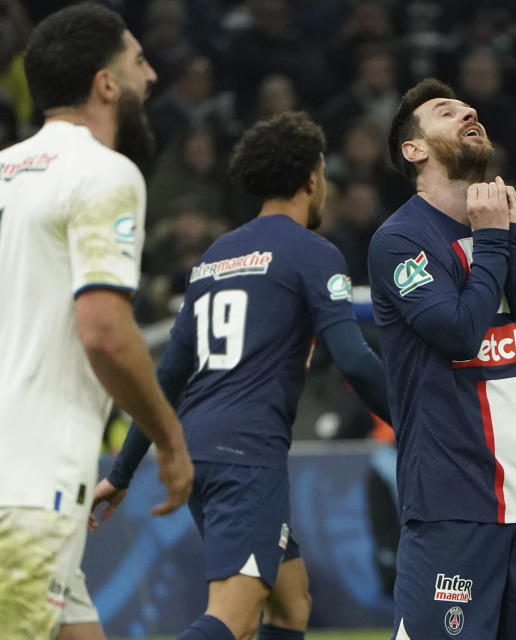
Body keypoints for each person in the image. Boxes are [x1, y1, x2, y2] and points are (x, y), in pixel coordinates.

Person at [89, 111, 392, 640]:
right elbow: (356, 361)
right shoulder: (314, 254)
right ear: (313, 177)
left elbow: (168, 379)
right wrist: (421, 421)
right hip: (245, 455)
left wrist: (122, 472)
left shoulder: (216, 256)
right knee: (232, 617)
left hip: (198, 451)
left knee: (290, 604)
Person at [0, 5, 194, 639]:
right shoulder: (104, 173)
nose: (154, 74)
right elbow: (105, 333)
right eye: (139, 61)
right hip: (30, 489)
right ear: (106, 85)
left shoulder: (5, 173)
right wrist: (168, 440)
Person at [369, 78, 516, 640]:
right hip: (451, 504)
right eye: (446, 111)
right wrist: (491, 240)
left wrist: (506, 240)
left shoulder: (503, 233)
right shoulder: (398, 241)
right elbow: (458, 333)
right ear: (415, 150)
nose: (469, 112)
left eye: (469, 108)